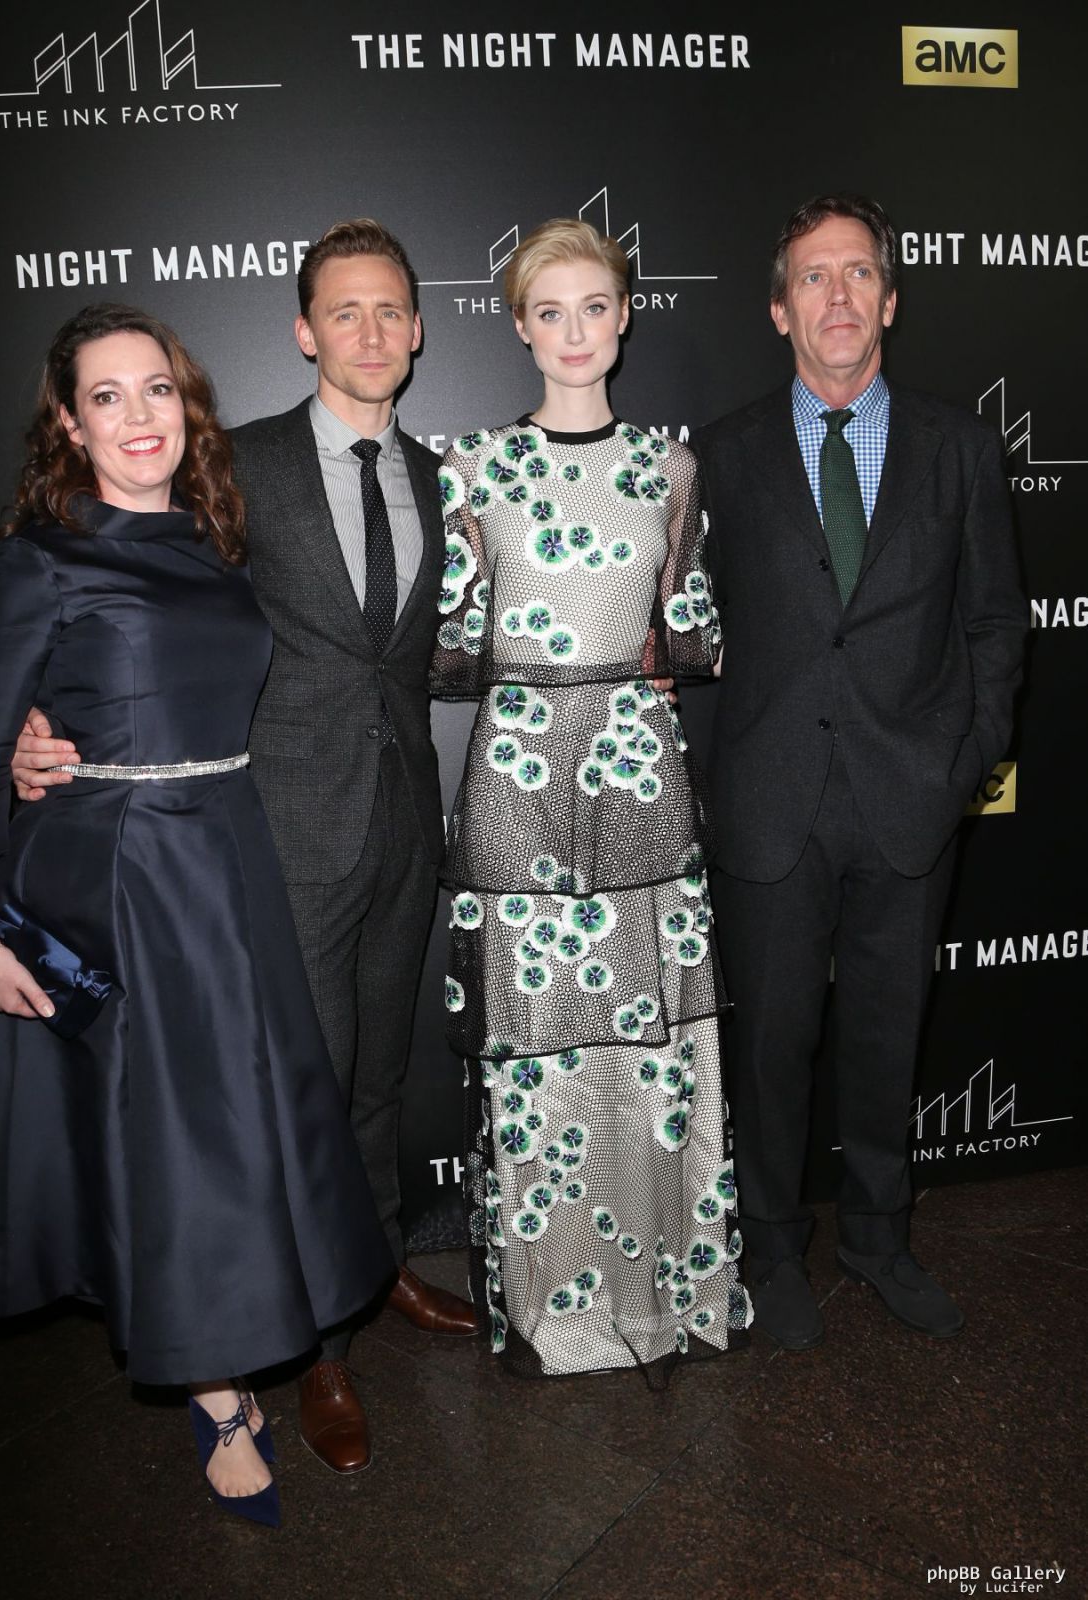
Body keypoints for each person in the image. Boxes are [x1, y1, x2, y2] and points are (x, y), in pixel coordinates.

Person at [0, 304, 396, 1526]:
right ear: (68, 427)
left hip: (225, 853)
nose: (139, 416)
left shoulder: (211, 541)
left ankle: (243, 1331)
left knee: (243, 1124)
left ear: (188, 407)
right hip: (117, 875)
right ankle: (216, 1390)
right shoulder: (39, 558)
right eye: (107, 396)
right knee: (172, 1139)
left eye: (158, 390)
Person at [10, 222, 477, 1475]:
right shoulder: (238, 465)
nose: (371, 332)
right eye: (345, 311)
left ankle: (376, 1265)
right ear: (302, 330)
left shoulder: (436, 473)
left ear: (418, 328)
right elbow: (123, 598)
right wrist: (34, 729)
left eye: (391, 310)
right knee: (305, 1090)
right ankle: (319, 1340)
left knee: (377, 1077)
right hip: (277, 832)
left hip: (403, 824)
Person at [692, 194, 1027, 1348]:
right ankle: (770, 1248)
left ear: (887, 298)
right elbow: (687, 628)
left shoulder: (958, 447)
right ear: (777, 309)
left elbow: (994, 623)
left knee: (888, 1038)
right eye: (811, 277)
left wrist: (963, 759)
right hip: (768, 802)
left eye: (856, 274)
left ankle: (880, 1238)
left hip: (907, 798)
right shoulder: (719, 453)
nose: (835, 295)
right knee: (768, 1046)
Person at [429, 218, 748, 1377]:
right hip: (515, 779)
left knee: (652, 1047)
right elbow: (448, 647)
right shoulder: (469, 467)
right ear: (518, 325)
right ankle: (549, 1307)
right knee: (535, 1052)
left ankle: (662, 1291)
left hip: (637, 777)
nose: (574, 332)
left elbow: (690, 631)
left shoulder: (669, 468)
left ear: (623, 316)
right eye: (549, 310)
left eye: (594, 307)